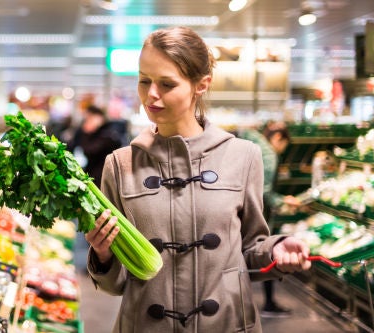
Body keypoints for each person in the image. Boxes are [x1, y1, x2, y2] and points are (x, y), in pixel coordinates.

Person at [84, 26, 311, 332]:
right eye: (144, 80)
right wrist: (103, 254)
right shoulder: (120, 164)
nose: (151, 94)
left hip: (227, 324)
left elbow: (248, 249)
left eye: (167, 83)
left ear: (201, 85)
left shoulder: (244, 157)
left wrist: (276, 250)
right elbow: (116, 283)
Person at [238, 122, 303, 318]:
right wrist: (284, 200)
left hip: (239, 213)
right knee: (265, 251)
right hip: (255, 215)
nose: (282, 150)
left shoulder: (247, 143)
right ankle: (267, 304)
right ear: (278, 138)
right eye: (285, 145)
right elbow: (264, 193)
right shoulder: (268, 154)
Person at [67, 105, 123, 187]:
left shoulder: (108, 134)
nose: (87, 122)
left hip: (104, 178)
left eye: (89, 118)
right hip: (93, 175)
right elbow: (73, 146)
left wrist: (86, 133)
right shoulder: (91, 133)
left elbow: (90, 150)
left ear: (99, 118)